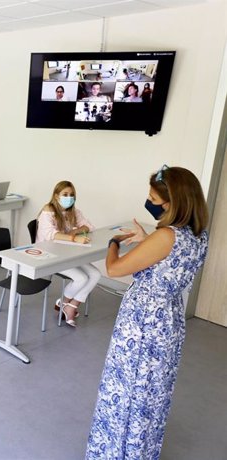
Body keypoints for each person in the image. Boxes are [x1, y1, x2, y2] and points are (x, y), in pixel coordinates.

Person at [86, 166, 209, 459]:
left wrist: (113, 244)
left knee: (125, 386)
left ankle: (114, 452)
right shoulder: (199, 234)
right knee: (151, 392)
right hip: (169, 318)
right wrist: (147, 240)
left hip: (143, 321)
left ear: (172, 202)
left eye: (153, 197)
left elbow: (115, 269)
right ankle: (139, 450)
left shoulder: (166, 236)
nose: (149, 201)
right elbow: (167, 262)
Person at [36, 181, 100, 327]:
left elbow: (89, 226)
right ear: (56, 196)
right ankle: (66, 304)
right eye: (65, 194)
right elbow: (51, 234)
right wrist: (74, 238)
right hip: (51, 254)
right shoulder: (48, 211)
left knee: (96, 274)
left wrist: (75, 231)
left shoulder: (74, 212)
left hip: (69, 252)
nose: (69, 198)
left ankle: (69, 305)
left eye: (72, 195)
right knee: (81, 278)